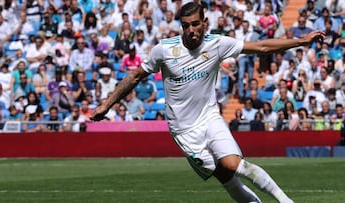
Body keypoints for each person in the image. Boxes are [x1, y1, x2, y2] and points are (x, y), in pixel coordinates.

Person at [91, 2, 324, 202]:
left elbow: (261, 46)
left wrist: (300, 41)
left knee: (233, 164)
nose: (190, 30)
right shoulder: (164, 50)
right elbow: (135, 76)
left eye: (195, 24)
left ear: (204, 23)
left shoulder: (217, 44)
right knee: (225, 176)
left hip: (209, 117)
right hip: (183, 131)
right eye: (185, 25)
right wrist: (106, 104)